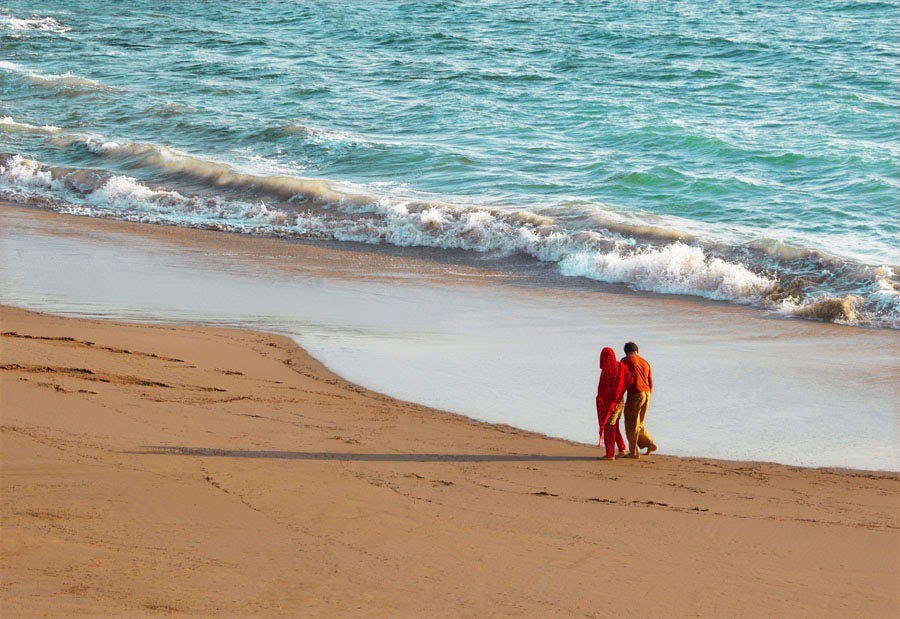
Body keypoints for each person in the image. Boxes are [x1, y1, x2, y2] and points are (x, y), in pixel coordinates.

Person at [620, 342, 658, 458]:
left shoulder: (625, 360)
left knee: (631, 424)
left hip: (636, 394)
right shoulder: (645, 361)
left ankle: (633, 453)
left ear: (626, 352)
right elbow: (650, 382)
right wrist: (647, 395)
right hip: (647, 393)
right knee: (639, 423)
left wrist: (619, 398)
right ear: (637, 350)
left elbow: (622, 381)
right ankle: (650, 444)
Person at [595, 347, 631, 460]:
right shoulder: (621, 366)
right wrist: (620, 392)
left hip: (609, 403)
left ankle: (610, 455)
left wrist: (601, 400)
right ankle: (622, 450)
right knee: (615, 425)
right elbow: (629, 379)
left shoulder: (607, 370)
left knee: (609, 427)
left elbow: (602, 389)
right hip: (620, 401)